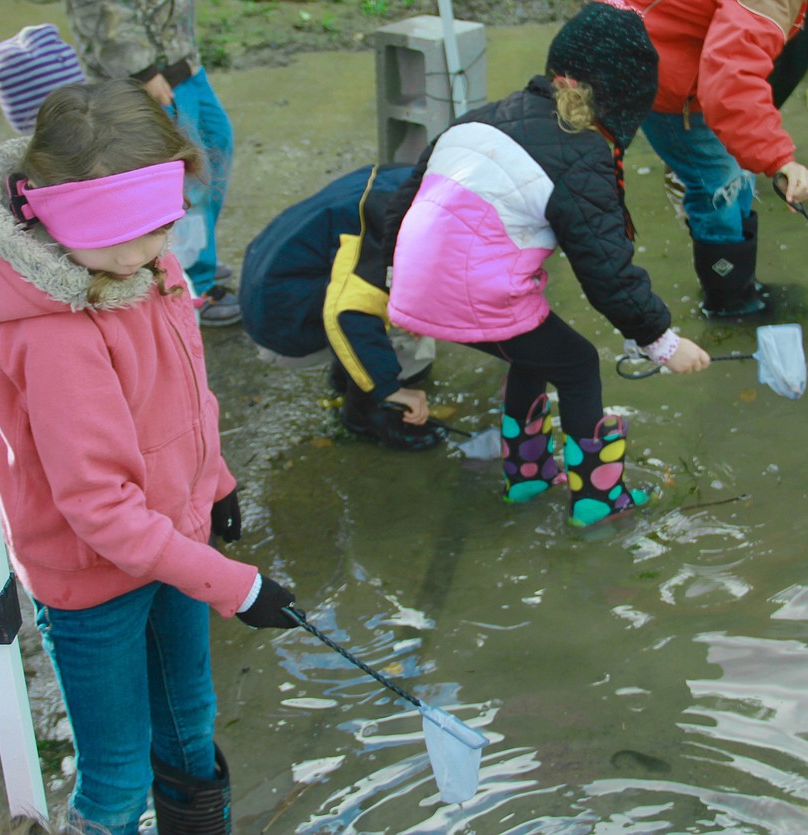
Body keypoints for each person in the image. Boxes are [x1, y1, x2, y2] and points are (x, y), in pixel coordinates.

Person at [0, 78, 300, 834]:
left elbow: (189, 393)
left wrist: (215, 480)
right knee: (114, 774)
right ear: (53, 216)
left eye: (161, 227)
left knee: (189, 725)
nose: (149, 253)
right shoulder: (53, 335)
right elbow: (100, 509)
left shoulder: (148, 265)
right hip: (92, 582)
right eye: (120, 237)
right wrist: (234, 586)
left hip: (174, 543)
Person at [383, 2, 712, 527]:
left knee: (534, 350)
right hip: (470, 291)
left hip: (414, 285)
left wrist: (392, 275)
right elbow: (606, 271)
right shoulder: (582, 155)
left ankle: (529, 474)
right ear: (625, 98)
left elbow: (398, 204)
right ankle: (596, 501)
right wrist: (661, 341)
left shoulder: (482, 118)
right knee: (578, 363)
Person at [612, 0, 808, 316]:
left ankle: (741, 282)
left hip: (659, 43)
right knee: (719, 191)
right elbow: (730, 84)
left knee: (736, 172)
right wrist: (779, 158)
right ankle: (729, 304)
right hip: (664, 78)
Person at [239, 163, 445, 451]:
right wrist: (390, 389)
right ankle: (366, 410)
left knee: (391, 297)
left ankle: (348, 371)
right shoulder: (390, 222)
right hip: (282, 323)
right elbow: (349, 313)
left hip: (270, 282)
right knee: (406, 352)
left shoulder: (410, 177)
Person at [62, 0, 241, 326]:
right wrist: (141, 71)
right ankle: (191, 284)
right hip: (141, 75)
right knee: (183, 182)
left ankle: (199, 255)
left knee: (217, 148)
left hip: (182, 61)